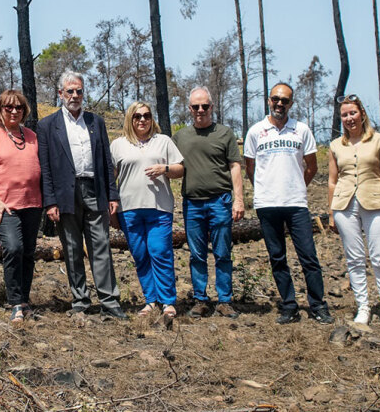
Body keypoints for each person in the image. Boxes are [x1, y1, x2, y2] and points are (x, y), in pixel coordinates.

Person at [38, 71, 127, 320]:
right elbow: (45, 167)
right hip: (65, 194)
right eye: (70, 91)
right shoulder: (47, 125)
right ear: (60, 94)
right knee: (73, 248)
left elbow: (106, 163)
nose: (75, 96)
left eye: (79, 91)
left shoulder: (95, 122)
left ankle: (109, 301)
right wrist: (50, 201)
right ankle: (80, 300)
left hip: (94, 190)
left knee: (101, 246)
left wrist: (112, 194)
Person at [243, 83, 334, 325]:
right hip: (267, 204)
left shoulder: (301, 130)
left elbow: (312, 166)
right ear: (268, 100)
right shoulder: (255, 132)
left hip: (296, 204)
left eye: (285, 100)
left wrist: (297, 186)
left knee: (309, 257)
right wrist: (265, 188)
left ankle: (317, 305)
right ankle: (289, 305)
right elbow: (250, 168)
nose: (279, 104)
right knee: (277, 257)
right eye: (276, 99)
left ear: (291, 104)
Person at [172, 87, 245, 319]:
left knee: (223, 253)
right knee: (197, 254)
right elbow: (169, 163)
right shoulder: (181, 136)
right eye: (196, 107)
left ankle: (224, 301)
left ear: (212, 107)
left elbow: (235, 166)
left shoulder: (225, 133)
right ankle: (201, 299)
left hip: (220, 202)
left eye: (205, 106)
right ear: (189, 109)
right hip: (192, 204)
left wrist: (239, 200)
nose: (200, 110)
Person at [328, 95, 380, 328]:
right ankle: (363, 307)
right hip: (344, 205)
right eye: (344, 115)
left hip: (375, 202)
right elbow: (332, 180)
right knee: (355, 258)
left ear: (362, 114)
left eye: (352, 113)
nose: (349, 119)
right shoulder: (336, 145)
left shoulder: (379, 140)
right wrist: (330, 213)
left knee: (379, 255)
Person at [110, 102, 184, 319]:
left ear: (152, 119)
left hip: (159, 207)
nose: (142, 120)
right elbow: (111, 178)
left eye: (147, 116)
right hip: (128, 209)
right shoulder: (118, 145)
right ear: (130, 120)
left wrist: (165, 169)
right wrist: (110, 209)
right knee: (140, 255)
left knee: (160, 251)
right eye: (137, 116)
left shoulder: (163, 141)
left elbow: (180, 168)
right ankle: (150, 301)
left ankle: (168, 302)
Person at [0, 90, 42, 323]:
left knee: (28, 252)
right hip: (4, 205)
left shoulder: (32, 136)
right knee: (13, 248)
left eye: (19, 108)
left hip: (33, 203)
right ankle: (15, 302)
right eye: (8, 107)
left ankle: (25, 300)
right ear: (0, 109)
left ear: (25, 111)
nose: (14, 111)